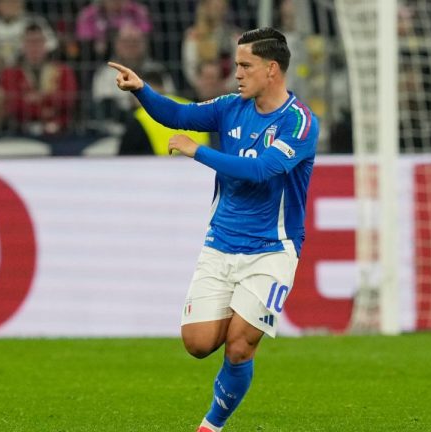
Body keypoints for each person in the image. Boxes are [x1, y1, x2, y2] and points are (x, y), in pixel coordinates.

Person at [108, 27, 319, 432]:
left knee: (239, 346)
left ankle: (210, 426)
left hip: (272, 249)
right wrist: (141, 90)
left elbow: (262, 170)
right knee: (198, 343)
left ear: (271, 69)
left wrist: (198, 151)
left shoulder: (300, 123)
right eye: (236, 65)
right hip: (220, 243)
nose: (236, 73)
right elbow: (178, 115)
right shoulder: (229, 107)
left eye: (245, 65)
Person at [119, 67, 209, 155]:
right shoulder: (193, 107)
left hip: (161, 164)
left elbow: (124, 158)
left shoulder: (140, 117)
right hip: (199, 162)